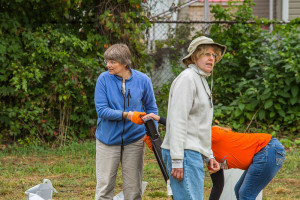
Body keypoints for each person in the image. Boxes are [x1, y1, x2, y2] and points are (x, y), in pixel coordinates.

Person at [141, 113, 286, 200]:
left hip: (269, 149)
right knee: (239, 190)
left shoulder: (212, 135)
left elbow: (187, 129)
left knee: (245, 194)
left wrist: (159, 119)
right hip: (263, 154)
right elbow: (218, 185)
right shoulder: (209, 158)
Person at [159, 36, 226, 200]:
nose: (211, 58)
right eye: (207, 54)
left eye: (214, 55)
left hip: (192, 152)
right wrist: (177, 159)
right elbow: (177, 120)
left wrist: (208, 155)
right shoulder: (187, 79)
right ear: (194, 57)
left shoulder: (201, 80)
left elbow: (200, 125)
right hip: (184, 153)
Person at [94, 43, 158, 200]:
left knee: (134, 189)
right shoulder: (103, 80)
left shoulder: (143, 80)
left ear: (124, 63)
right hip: (107, 140)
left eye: (112, 62)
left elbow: (151, 109)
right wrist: (127, 115)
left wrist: (152, 133)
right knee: (104, 187)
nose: (108, 65)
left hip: (134, 140)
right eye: (107, 61)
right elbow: (102, 110)